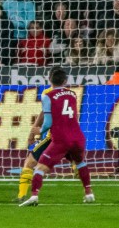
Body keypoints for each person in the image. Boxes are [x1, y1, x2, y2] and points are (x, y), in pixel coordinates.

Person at [19, 68, 94, 207]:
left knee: (39, 167)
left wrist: (38, 131)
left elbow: (47, 121)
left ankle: (33, 196)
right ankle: (89, 193)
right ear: (65, 81)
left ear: (49, 80)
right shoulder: (72, 94)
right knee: (80, 163)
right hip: (77, 136)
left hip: (60, 139)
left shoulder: (47, 95)